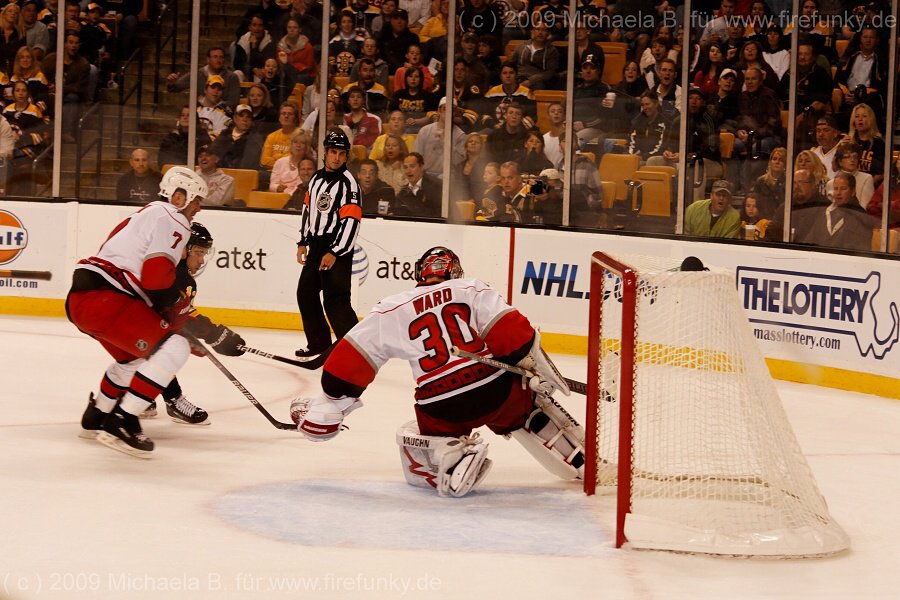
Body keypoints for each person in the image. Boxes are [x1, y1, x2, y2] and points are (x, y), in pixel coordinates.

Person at [291, 246, 584, 498]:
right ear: (454, 271)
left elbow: (351, 361)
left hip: (442, 406)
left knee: (410, 434)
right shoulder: (472, 288)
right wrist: (530, 367)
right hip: (497, 391)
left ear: (420, 273)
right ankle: (580, 455)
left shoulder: (390, 308)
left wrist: (334, 401)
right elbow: (514, 336)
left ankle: (450, 456)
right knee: (526, 403)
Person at [67, 167, 246, 457]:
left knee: (134, 360)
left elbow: (152, 287)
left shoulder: (145, 214)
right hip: (109, 299)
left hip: (83, 300)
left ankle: (96, 417)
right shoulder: (173, 217)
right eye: (196, 201)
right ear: (178, 197)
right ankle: (123, 420)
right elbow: (155, 280)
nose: (198, 208)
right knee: (173, 348)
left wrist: (196, 329)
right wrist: (198, 330)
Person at [139, 222, 220, 426]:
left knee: (156, 346)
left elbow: (178, 316)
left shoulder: (175, 272)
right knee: (162, 349)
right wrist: (205, 333)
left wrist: (212, 332)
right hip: (124, 320)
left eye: (204, 254)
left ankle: (142, 396)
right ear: (184, 249)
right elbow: (171, 321)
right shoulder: (177, 277)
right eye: (199, 253)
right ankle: (173, 400)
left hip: (132, 322)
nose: (201, 261)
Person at [295, 129, 361, 357]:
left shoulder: (349, 184)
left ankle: (356, 352)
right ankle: (319, 344)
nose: (337, 158)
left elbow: (352, 222)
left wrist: (335, 251)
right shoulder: (316, 178)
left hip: (337, 248)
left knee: (336, 302)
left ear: (346, 156)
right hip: (316, 244)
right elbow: (307, 210)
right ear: (325, 152)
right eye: (333, 152)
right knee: (305, 293)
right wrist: (303, 241)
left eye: (342, 154)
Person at [797, 171, 873, 251]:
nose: (838, 193)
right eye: (836, 189)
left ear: (853, 191)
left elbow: (860, 251)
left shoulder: (861, 218)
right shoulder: (825, 213)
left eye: (843, 189)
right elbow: (809, 241)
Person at [394, 152, 441, 217]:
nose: (408, 171)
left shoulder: (436, 187)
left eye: (412, 166)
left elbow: (440, 214)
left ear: (421, 167)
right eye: (405, 167)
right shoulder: (403, 193)